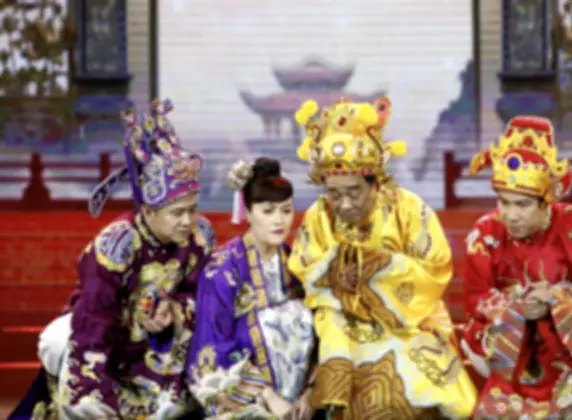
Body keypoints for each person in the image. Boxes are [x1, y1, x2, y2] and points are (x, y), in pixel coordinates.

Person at [229, 97, 478, 419]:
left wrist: (377, 267)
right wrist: (337, 276)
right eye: (334, 193)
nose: (344, 204)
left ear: (375, 182)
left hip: (407, 323)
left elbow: (434, 270)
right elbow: (308, 275)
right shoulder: (319, 216)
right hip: (343, 326)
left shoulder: (408, 209)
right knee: (357, 389)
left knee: (412, 384)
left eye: (353, 191)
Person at [11, 99, 215, 420]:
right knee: (59, 343)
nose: (188, 221)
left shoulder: (199, 236)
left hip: (162, 339)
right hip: (107, 331)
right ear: (148, 211)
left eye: (192, 209)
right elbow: (94, 318)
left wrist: (174, 309)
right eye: (177, 213)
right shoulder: (118, 243)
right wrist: (94, 393)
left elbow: (199, 294)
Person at [460, 115, 572, 419]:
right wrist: (520, 305)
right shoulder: (484, 233)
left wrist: (556, 300)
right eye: (503, 202)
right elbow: (478, 297)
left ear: (547, 202)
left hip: (568, 335)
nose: (510, 215)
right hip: (514, 336)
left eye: (522, 205)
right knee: (481, 335)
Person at [187, 157, 317, 419]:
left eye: (286, 210)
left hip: (301, 400)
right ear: (247, 211)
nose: (280, 220)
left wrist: (312, 390)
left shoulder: (295, 262)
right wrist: (267, 396)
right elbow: (214, 346)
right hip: (249, 398)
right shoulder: (222, 270)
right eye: (268, 211)